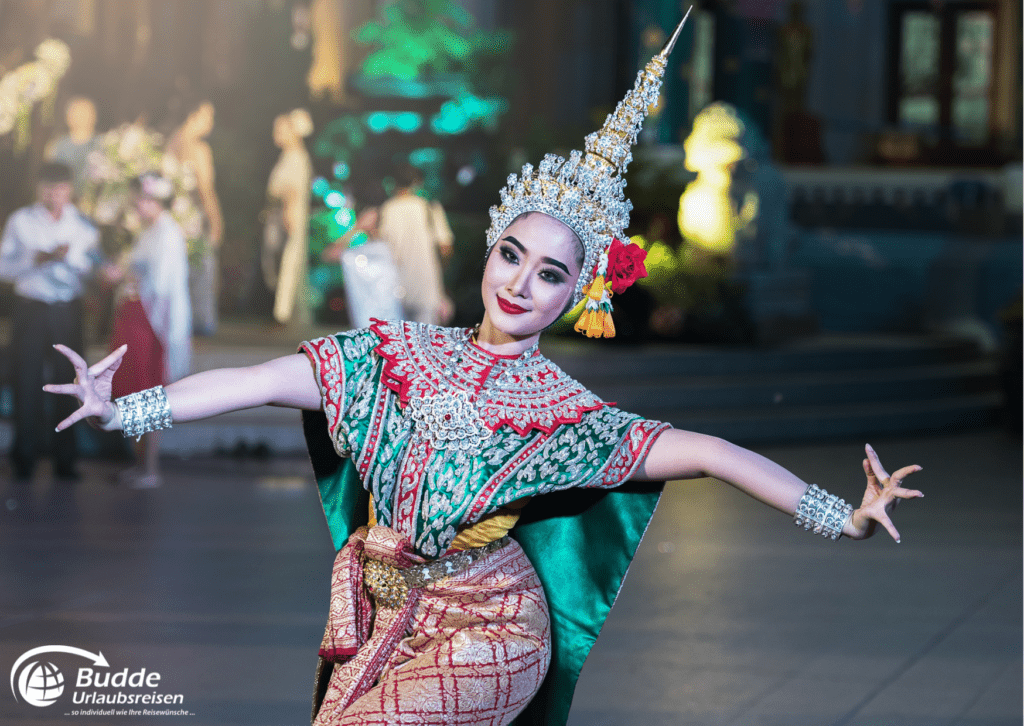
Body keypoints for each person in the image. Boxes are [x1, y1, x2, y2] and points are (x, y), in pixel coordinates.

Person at [44, 18, 923, 726]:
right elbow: (259, 381)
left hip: (494, 629)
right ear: (489, 250)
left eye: (551, 275)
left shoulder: (566, 417)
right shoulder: (393, 355)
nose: (519, 283)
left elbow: (714, 452)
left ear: (578, 296)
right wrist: (126, 411)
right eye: (512, 254)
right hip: (387, 612)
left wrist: (841, 517)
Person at [0, 161, 98, 482]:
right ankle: (23, 458)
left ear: (70, 189)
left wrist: (67, 257)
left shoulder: (84, 226)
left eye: (58, 187)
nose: (52, 193)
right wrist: (33, 260)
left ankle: (65, 459)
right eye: (46, 186)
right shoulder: (21, 221)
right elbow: (3, 267)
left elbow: (95, 270)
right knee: (25, 380)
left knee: (69, 383)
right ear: (38, 187)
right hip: (31, 308)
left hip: (66, 310)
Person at [104, 173, 192, 488]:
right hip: (135, 315)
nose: (137, 205)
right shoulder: (151, 231)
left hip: (149, 320)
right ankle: (139, 463)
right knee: (131, 388)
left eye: (141, 199)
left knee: (146, 388)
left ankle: (150, 466)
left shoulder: (167, 233)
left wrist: (127, 276)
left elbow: (164, 284)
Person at [167, 100, 224, 336]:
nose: (210, 123)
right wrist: (217, 222)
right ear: (193, 115)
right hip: (192, 218)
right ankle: (199, 328)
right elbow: (206, 189)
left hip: (170, 218)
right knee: (201, 273)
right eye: (207, 116)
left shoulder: (170, 142)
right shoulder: (199, 149)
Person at [376, 164, 454, 324]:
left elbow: (380, 248)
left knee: (397, 343)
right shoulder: (429, 208)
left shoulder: (386, 210)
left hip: (394, 289)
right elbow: (446, 248)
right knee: (425, 343)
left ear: (393, 183)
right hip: (426, 289)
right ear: (417, 182)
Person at [263, 108, 314, 327]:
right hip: (282, 215)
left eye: (281, 129)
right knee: (281, 262)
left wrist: (287, 214)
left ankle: (282, 314)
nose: (277, 134)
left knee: (288, 263)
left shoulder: (296, 157)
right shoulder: (289, 156)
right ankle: (283, 313)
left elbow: (292, 190)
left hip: (289, 216)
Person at [44, 96, 99, 198]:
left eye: (85, 112)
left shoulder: (103, 143)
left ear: (94, 116)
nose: (80, 117)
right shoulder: (56, 146)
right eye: (75, 112)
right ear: (67, 117)